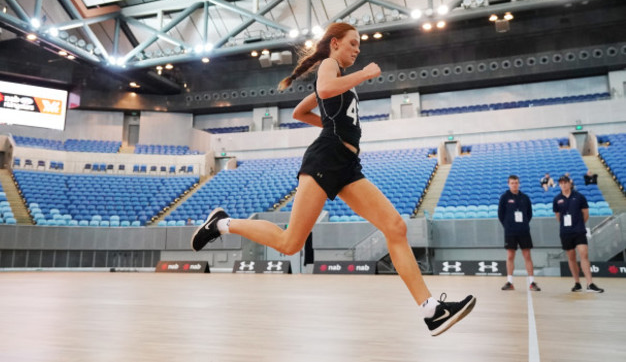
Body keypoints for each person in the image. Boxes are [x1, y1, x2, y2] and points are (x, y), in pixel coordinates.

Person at [191, 22, 476, 336]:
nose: (357, 50)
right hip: (326, 158)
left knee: (396, 226)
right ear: (335, 43)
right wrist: (364, 75)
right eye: (353, 43)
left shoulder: (338, 75)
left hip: (348, 164)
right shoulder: (329, 65)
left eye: (359, 46)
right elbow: (324, 90)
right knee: (290, 243)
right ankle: (221, 224)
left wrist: (328, 120)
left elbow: (301, 111)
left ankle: (431, 310)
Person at [553, 175, 604, 293]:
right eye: (561, 183)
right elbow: (558, 216)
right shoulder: (556, 199)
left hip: (579, 231)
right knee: (571, 257)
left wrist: (578, 224)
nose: (563, 185)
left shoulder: (579, 197)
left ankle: (590, 283)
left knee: (583, 254)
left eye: (565, 182)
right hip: (566, 232)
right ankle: (577, 283)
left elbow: (585, 214)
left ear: (570, 183)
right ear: (559, 185)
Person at [498, 175, 540, 291]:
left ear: (519, 183)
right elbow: (500, 215)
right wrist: (508, 226)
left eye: (516, 182)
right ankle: (509, 282)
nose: (514, 185)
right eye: (512, 183)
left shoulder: (525, 198)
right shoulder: (504, 197)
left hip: (524, 231)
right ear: (508, 184)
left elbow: (529, 214)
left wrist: (523, 225)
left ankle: (532, 282)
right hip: (510, 232)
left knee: (527, 255)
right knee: (510, 256)